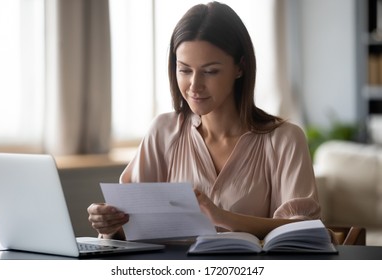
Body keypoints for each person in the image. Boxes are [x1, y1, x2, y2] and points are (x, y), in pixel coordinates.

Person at [87, 1, 320, 240]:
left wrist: (223, 217)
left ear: (240, 67)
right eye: (184, 70)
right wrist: (111, 224)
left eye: (210, 71)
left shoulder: (285, 140)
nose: (194, 86)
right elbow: (132, 225)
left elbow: (302, 230)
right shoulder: (163, 131)